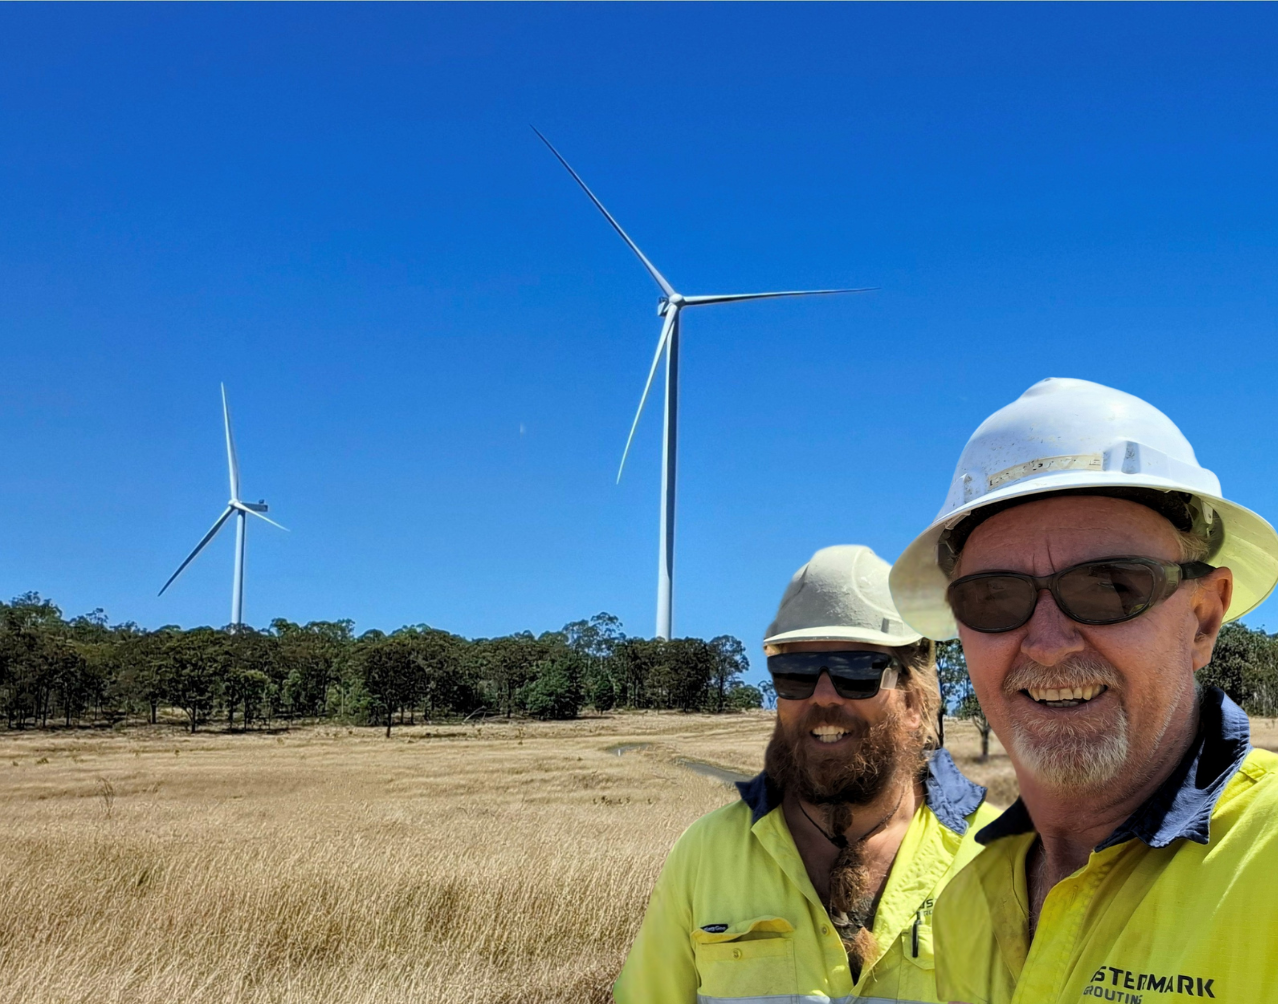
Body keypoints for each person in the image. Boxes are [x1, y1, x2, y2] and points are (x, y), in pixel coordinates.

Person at [888, 377, 1278, 1004]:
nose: (1046, 644)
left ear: (1204, 618)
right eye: (995, 597)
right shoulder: (965, 904)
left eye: (1111, 587)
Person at [615, 544, 997, 1004]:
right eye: (794, 673)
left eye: (856, 671)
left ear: (914, 702)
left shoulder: (999, 857)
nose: (821, 697)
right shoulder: (705, 854)